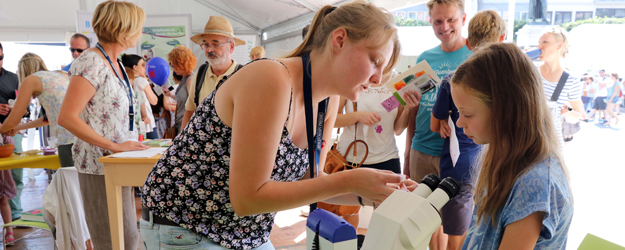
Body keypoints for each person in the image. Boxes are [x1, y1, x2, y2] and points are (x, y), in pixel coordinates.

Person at [141, 2, 414, 249]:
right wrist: (351, 180)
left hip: (243, 233)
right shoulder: (272, 77)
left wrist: (376, 194)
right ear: (339, 40)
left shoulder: (328, 101)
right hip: (185, 226)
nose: (378, 79)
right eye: (375, 61)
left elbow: (312, 180)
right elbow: (248, 198)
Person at [452, 42, 573, 250]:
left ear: (505, 111)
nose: (459, 122)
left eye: (468, 114)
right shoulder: (500, 157)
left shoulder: (535, 183)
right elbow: (475, 231)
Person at [57, 1, 148, 249]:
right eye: (138, 27)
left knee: (127, 238)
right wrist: (113, 146)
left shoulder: (116, 63)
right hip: (99, 164)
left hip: (117, 163)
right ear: (125, 29)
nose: (141, 33)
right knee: (113, 240)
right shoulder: (92, 62)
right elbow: (66, 117)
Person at [430, 10, 505, 250]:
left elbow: (434, 125)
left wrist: (447, 120)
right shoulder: (509, 85)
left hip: (459, 166)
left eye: (468, 115)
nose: (463, 121)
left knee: (454, 235)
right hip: (495, 167)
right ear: (502, 38)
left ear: (469, 42)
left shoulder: (452, 80)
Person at [403, 0, 472, 248]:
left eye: (451, 19)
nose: (445, 27)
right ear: (430, 22)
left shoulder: (474, 58)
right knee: (424, 221)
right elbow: (415, 110)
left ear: (463, 19)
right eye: (438, 21)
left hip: (456, 156)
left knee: (452, 224)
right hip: (421, 150)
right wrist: (407, 151)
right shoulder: (425, 59)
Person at [333, 71, 420, 228]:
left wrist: (407, 108)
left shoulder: (398, 83)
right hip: (352, 159)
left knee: (387, 217)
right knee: (347, 215)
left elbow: (397, 130)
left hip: (387, 158)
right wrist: (358, 116)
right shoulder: (353, 77)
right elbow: (332, 119)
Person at [182, 16, 246, 129]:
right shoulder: (200, 73)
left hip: (234, 145)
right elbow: (190, 112)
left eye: (215, 44)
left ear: (231, 47)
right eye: (206, 44)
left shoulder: (243, 76)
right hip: (202, 145)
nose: (209, 49)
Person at [537, 26, 584, 143]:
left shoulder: (571, 80)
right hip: (523, 143)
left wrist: (568, 111)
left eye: (545, 42)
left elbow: (577, 115)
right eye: (539, 42)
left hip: (551, 146)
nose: (539, 46)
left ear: (559, 46)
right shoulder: (530, 71)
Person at [0, 43, 25, 224]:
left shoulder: (12, 77)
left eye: (0, 58)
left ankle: (15, 214)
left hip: (11, 130)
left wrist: (18, 109)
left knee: (16, 173)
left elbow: (19, 102)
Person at [121, 54, 158, 138]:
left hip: (132, 123)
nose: (145, 67)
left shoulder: (125, 80)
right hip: (146, 122)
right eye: (142, 65)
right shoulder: (141, 81)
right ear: (135, 67)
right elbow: (154, 101)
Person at [166, 45, 197, 133]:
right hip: (181, 122)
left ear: (184, 64)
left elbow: (193, 104)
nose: (173, 69)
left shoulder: (190, 80)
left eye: (175, 66)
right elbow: (183, 100)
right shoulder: (184, 79)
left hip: (187, 124)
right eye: (172, 65)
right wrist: (170, 95)